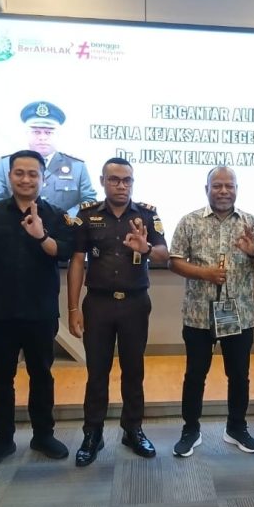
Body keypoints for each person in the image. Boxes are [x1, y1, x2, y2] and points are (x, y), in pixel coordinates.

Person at [0, 150, 76, 469]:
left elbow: (63, 252)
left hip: (39, 312)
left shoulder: (56, 215)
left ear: (44, 179)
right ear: (9, 176)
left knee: (41, 376)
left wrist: (41, 235)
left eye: (33, 174)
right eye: (20, 173)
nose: (26, 179)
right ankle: (2, 440)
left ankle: (43, 435)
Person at [68, 157, 168, 466]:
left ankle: (132, 429)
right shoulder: (86, 216)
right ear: (102, 181)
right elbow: (76, 262)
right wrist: (73, 307)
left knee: (133, 370)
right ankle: (92, 433)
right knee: (97, 372)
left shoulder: (147, 216)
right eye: (114, 180)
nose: (121, 185)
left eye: (127, 180)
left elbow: (165, 255)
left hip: (135, 304)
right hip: (97, 304)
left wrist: (146, 249)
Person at [168, 166, 254, 457]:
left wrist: (253, 252)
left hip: (237, 313)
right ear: (207, 189)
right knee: (195, 374)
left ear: (237, 189)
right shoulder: (189, 221)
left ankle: (236, 428)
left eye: (229, 186)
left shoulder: (251, 222)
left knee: (239, 374)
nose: (224, 191)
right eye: (217, 186)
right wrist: (205, 274)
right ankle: (190, 430)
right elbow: (174, 261)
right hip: (198, 314)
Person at [0, 101, 96, 213]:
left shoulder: (77, 167)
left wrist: (65, 218)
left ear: (58, 135)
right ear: (27, 133)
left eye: (48, 132)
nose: (42, 137)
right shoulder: (6, 164)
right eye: (36, 132)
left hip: (64, 228)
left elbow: (89, 200)